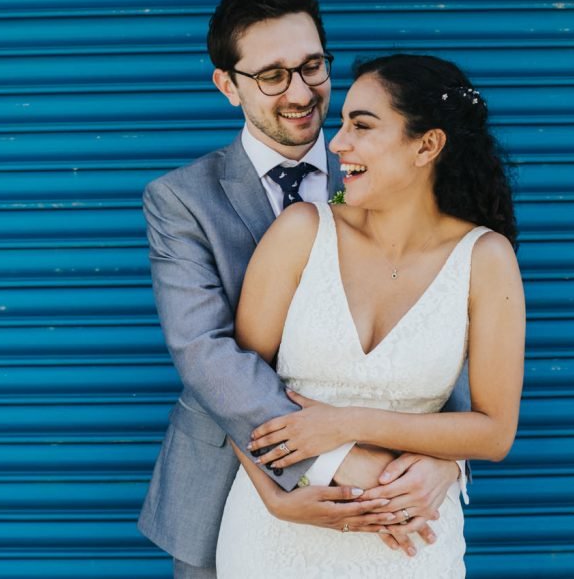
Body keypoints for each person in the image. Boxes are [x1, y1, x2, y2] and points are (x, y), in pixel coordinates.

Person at [137, 0, 472, 578]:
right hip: (227, 488)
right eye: (271, 76)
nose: (300, 93)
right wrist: (328, 461)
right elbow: (205, 351)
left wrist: (449, 460)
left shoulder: (392, 169)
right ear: (226, 85)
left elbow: (446, 314)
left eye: (312, 66)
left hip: (397, 488)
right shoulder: (181, 198)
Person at [214, 53, 525, 576]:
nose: (336, 143)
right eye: (341, 123)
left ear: (427, 145)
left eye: (361, 125)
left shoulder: (486, 259)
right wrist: (274, 495)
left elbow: (494, 432)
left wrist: (346, 423)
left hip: (408, 543)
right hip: (276, 540)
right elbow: (232, 389)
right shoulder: (301, 232)